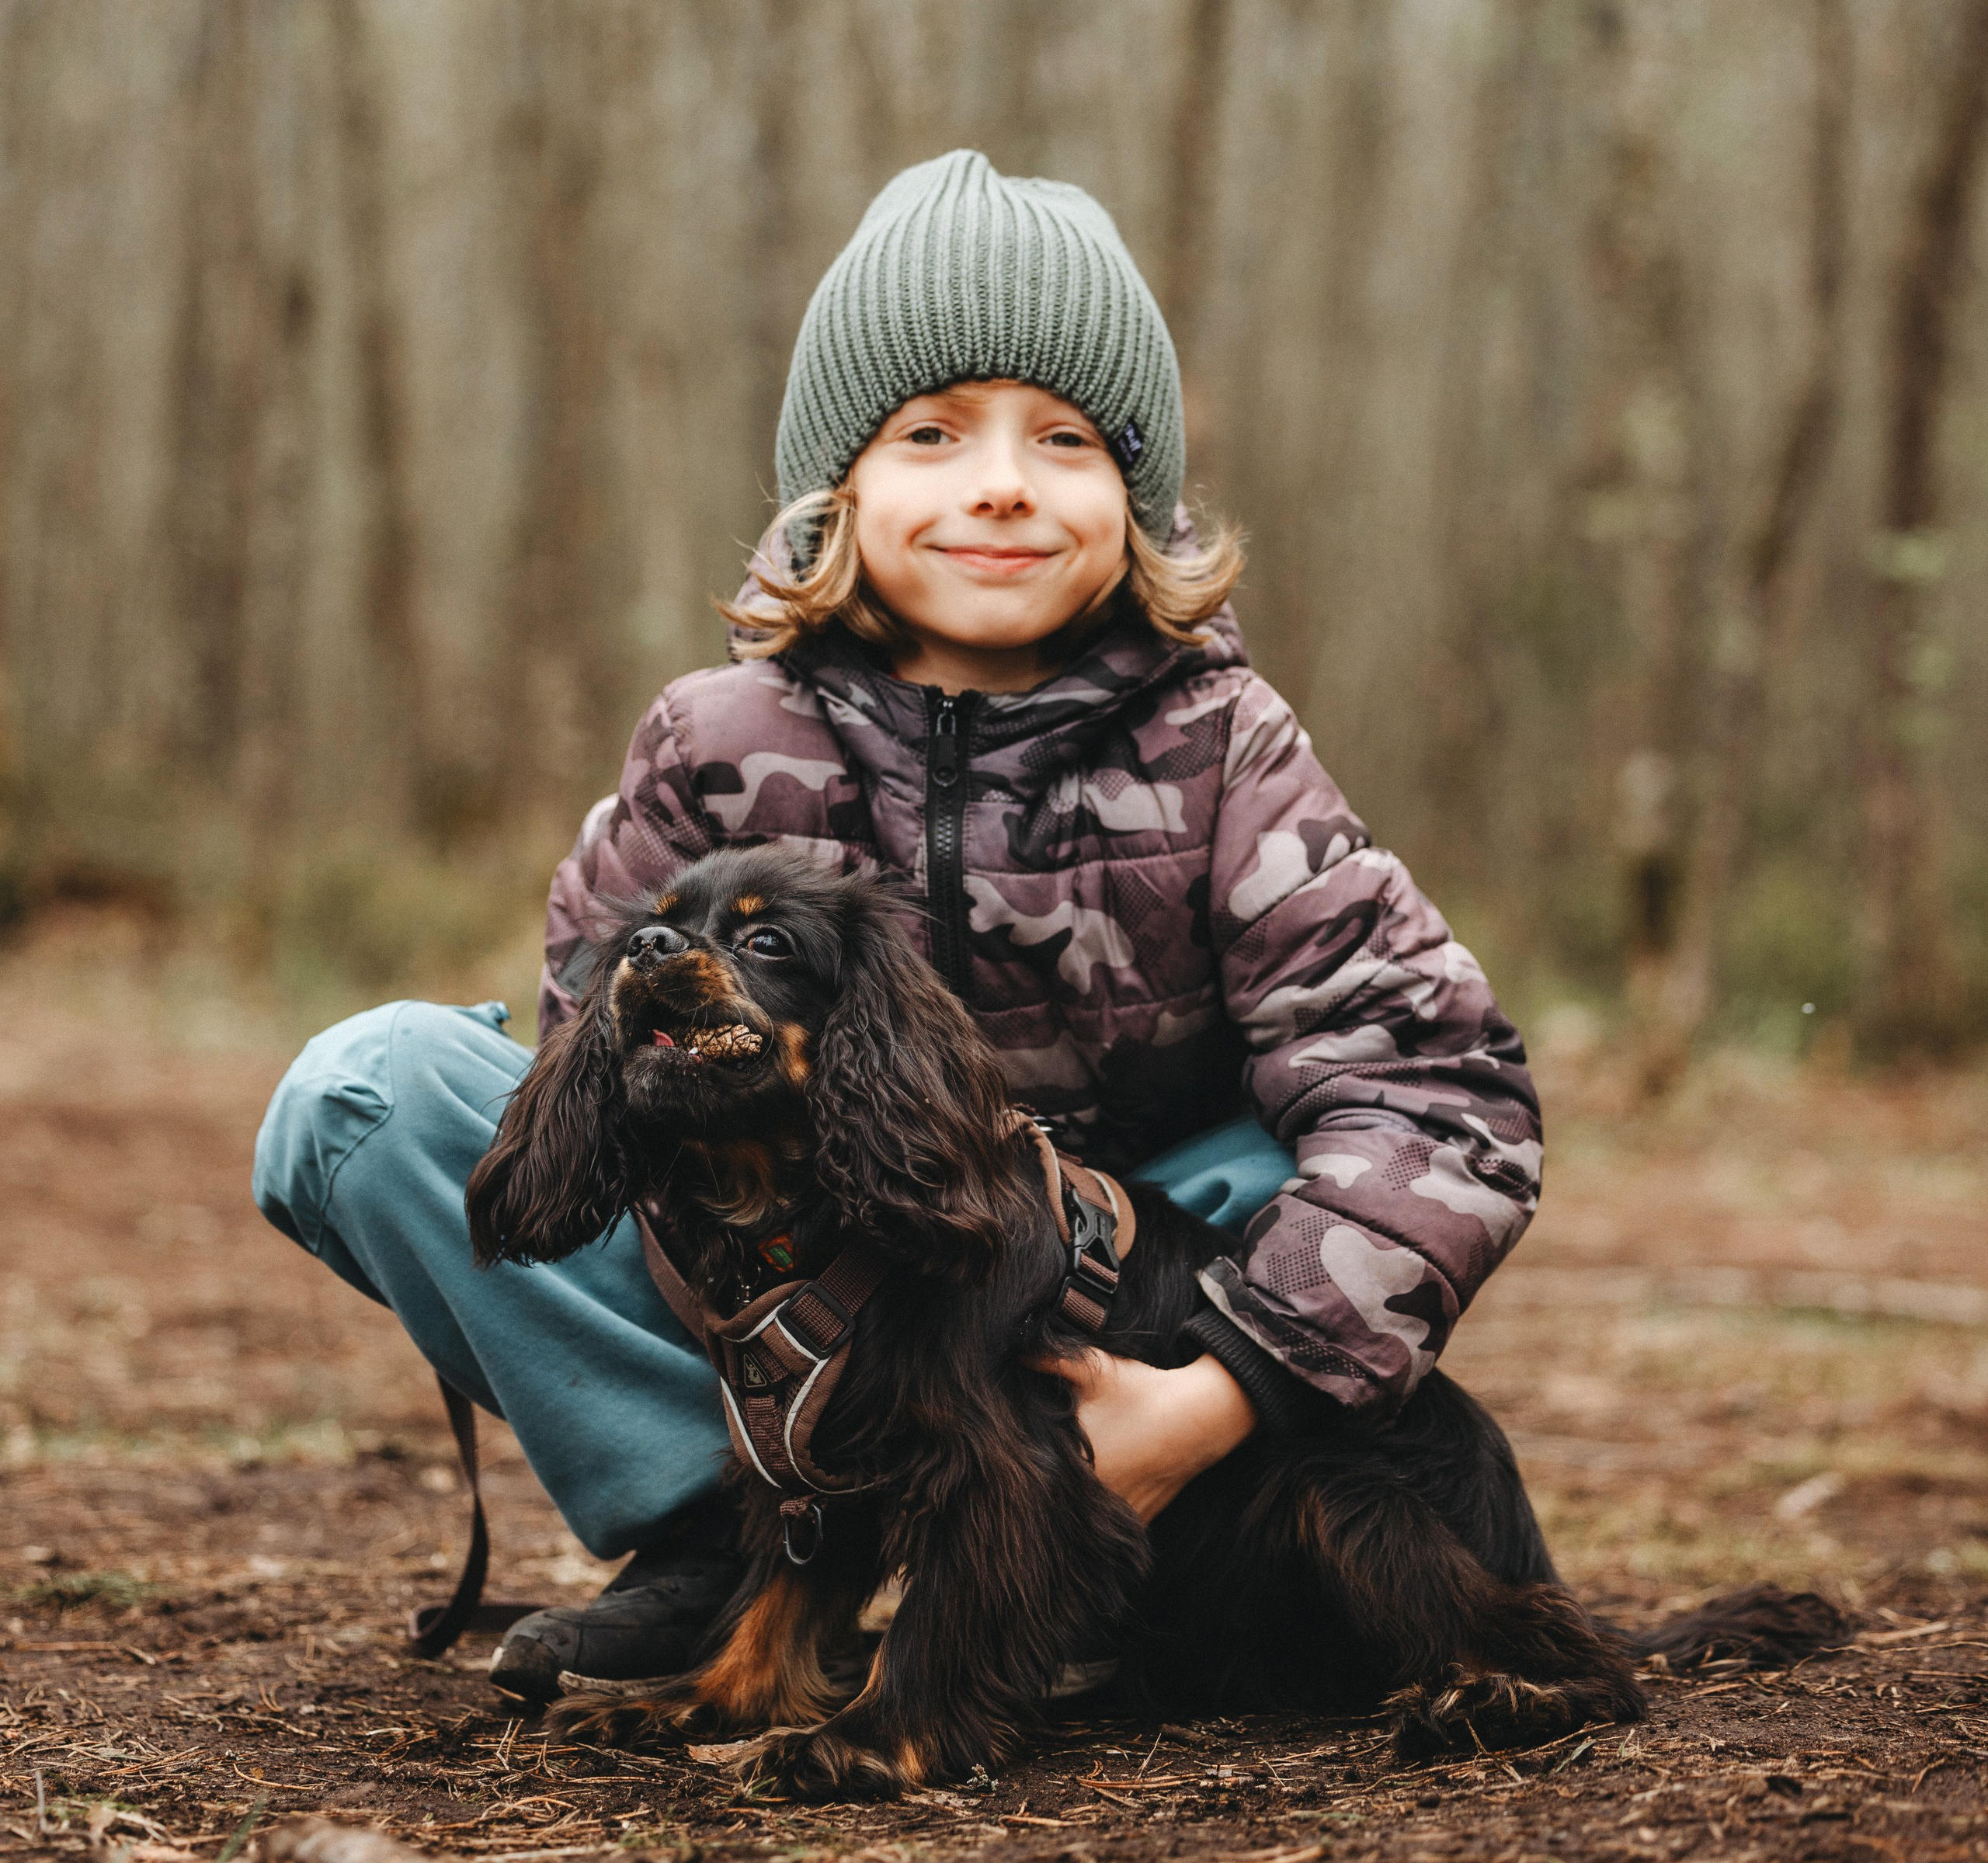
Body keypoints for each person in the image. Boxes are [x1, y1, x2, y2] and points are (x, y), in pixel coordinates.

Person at [255, 150, 1541, 1700]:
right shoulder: (716, 739)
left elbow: (1441, 1095)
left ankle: (1146, 1536)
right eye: (930, 432)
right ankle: (724, 1530)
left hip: (1104, 1292)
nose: (999, 481)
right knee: (373, 1092)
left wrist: (1211, 1393)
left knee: (1309, 1151)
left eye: (1063, 439)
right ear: (834, 492)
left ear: (1131, 506)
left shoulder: (1222, 745)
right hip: (795, 1271)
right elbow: (600, 1063)